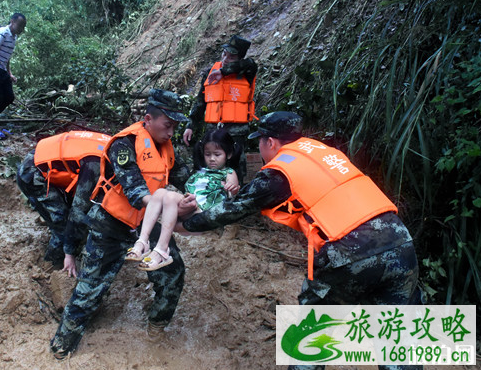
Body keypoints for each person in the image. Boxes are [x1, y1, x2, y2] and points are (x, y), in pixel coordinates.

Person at [179, 112, 422, 322]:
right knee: (396, 338)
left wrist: (185, 224)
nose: (260, 151)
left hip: (350, 253)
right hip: (401, 244)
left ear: (271, 142)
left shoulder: (281, 169)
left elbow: (232, 209)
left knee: (310, 338)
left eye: (259, 144)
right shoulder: (321, 151)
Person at [50, 89, 196, 359]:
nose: (172, 132)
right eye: (168, 125)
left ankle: (157, 327)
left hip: (146, 226)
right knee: (90, 288)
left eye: (176, 126)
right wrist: (173, 205)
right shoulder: (124, 144)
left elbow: (186, 177)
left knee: (173, 273)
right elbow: (136, 192)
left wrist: (207, 188)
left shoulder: (166, 145)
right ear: (148, 118)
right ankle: (62, 344)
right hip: (111, 226)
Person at [126, 129, 241, 271]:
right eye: (208, 154)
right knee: (160, 193)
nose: (212, 159)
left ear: (229, 154)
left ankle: (162, 250)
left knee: (168, 195)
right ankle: (143, 241)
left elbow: (233, 196)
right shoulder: (201, 172)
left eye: (217, 155)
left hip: (205, 212)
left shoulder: (228, 172)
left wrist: (233, 189)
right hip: (190, 206)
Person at [17, 131, 111, 275]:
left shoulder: (114, 146)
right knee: (62, 223)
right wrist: (69, 253)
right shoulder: (96, 164)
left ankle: (65, 245)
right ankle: (53, 266)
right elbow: (78, 211)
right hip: (33, 172)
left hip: (46, 159)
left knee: (76, 217)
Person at [182, 35, 258, 184]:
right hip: (213, 132)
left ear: (239, 58)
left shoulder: (246, 71)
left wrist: (224, 72)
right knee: (210, 170)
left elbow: (250, 64)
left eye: (232, 56)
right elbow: (200, 101)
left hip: (236, 134)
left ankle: (235, 202)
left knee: (237, 173)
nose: (226, 58)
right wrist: (190, 125)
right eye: (224, 53)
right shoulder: (210, 72)